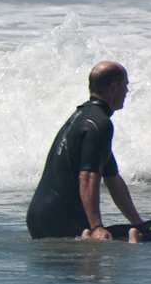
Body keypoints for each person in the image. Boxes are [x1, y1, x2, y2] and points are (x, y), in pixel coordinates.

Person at [26, 60, 144, 240]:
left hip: (40, 216)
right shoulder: (100, 124)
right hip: (61, 219)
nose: (127, 91)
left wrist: (139, 223)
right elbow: (88, 176)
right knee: (91, 264)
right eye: (125, 85)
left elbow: (113, 179)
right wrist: (96, 227)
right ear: (113, 87)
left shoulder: (83, 117)